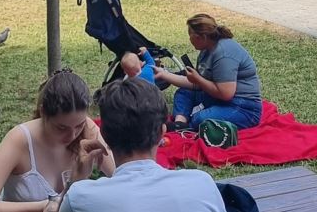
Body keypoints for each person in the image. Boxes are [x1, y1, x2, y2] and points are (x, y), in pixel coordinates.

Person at [55, 78, 224, 212]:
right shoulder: (202, 184)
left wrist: (74, 182)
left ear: (104, 135)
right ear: (161, 132)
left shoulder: (80, 197)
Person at [0, 69, 115, 212]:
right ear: (43, 113)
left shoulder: (87, 129)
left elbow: (120, 175)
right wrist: (46, 206)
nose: (72, 135)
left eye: (78, 125)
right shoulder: (20, 139)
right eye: (61, 128)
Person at [154, 13, 262, 131]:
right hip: (216, 97)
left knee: (200, 119)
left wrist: (198, 79)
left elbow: (226, 94)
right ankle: (180, 123)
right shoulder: (206, 49)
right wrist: (164, 74)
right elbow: (196, 84)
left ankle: (191, 124)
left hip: (242, 107)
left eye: (190, 35)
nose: (189, 39)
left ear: (202, 37)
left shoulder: (224, 54)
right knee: (184, 92)